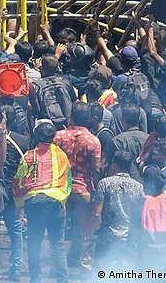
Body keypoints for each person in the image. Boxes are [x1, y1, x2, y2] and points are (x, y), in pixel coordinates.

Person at [13, 119, 71, 283]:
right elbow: (67, 182)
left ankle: (35, 279)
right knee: (58, 245)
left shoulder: (29, 156)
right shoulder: (62, 156)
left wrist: (20, 205)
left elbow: (18, 182)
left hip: (35, 203)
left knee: (34, 244)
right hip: (55, 203)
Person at [53, 103, 101, 270]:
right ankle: (77, 258)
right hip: (83, 190)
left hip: (60, 189)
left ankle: (58, 261)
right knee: (82, 229)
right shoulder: (93, 141)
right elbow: (96, 169)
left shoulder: (58, 137)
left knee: (57, 229)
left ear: (71, 116)